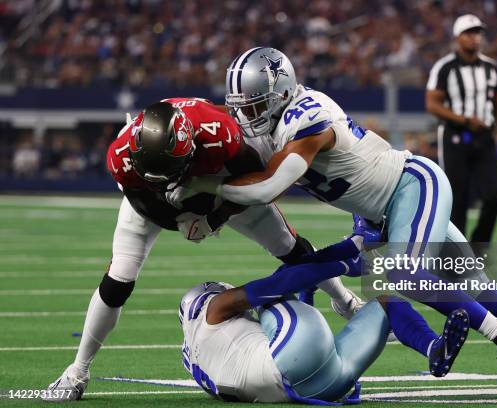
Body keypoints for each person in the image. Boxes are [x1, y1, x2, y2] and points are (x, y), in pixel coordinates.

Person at [169, 47, 497, 396]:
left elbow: (267, 188)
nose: (247, 116)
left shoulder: (308, 115)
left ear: (282, 92)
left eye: (256, 104)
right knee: (474, 287)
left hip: (413, 188)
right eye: (241, 107)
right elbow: (249, 182)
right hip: (377, 216)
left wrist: (207, 192)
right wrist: (211, 211)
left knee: (400, 273)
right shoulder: (269, 130)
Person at [44, 98, 361, 401]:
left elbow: (258, 185)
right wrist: (182, 220)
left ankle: (345, 301)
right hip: (157, 203)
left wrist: (214, 216)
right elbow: (143, 204)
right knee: (118, 279)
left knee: (290, 248)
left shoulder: (217, 133)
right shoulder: (122, 154)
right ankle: (76, 372)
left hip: (220, 185)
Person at [180, 223, 470, 403]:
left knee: (385, 304)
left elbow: (300, 328)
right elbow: (279, 283)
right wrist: (343, 261)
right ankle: (352, 252)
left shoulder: (198, 360)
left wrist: (311, 287)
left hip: (318, 386)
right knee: (273, 290)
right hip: (292, 359)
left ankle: (435, 349)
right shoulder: (213, 309)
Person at [425, 14, 497, 242]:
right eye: (469, 33)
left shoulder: (491, 68)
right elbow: (432, 104)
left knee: (494, 196)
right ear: (458, 37)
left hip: (484, 138)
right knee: (458, 200)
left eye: (477, 33)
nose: (475, 38)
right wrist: (464, 119)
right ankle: (456, 259)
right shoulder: (444, 67)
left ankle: (477, 247)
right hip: (455, 137)